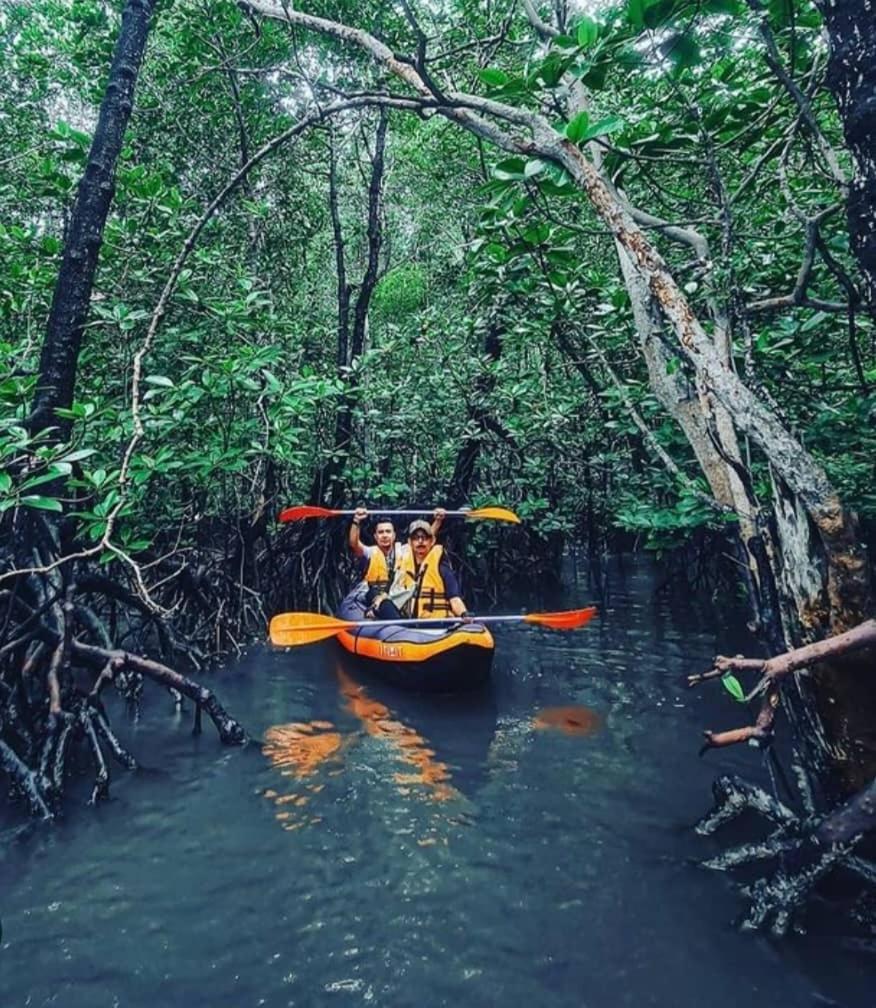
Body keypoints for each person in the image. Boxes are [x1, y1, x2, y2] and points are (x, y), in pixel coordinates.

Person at [348, 507, 446, 618]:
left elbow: (425, 540)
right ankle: (376, 610)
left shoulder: (404, 550)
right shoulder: (370, 552)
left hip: (397, 595)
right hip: (373, 593)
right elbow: (354, 544)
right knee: (375, 595)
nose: (384, 535)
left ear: (394, 535)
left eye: (388, 532)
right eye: (381, 532)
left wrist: (438, 521)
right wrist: (356, 520)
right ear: (375, 536)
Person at [392, 519, 472, 620]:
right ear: (409, 542)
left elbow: (455, 598)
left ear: (432, 541)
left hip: (437, 623)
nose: (420, 541)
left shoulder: (442, 568)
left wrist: (464, 614)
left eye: (425, 538)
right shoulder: (402, 566)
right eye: (416, 538)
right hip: (409, 623)